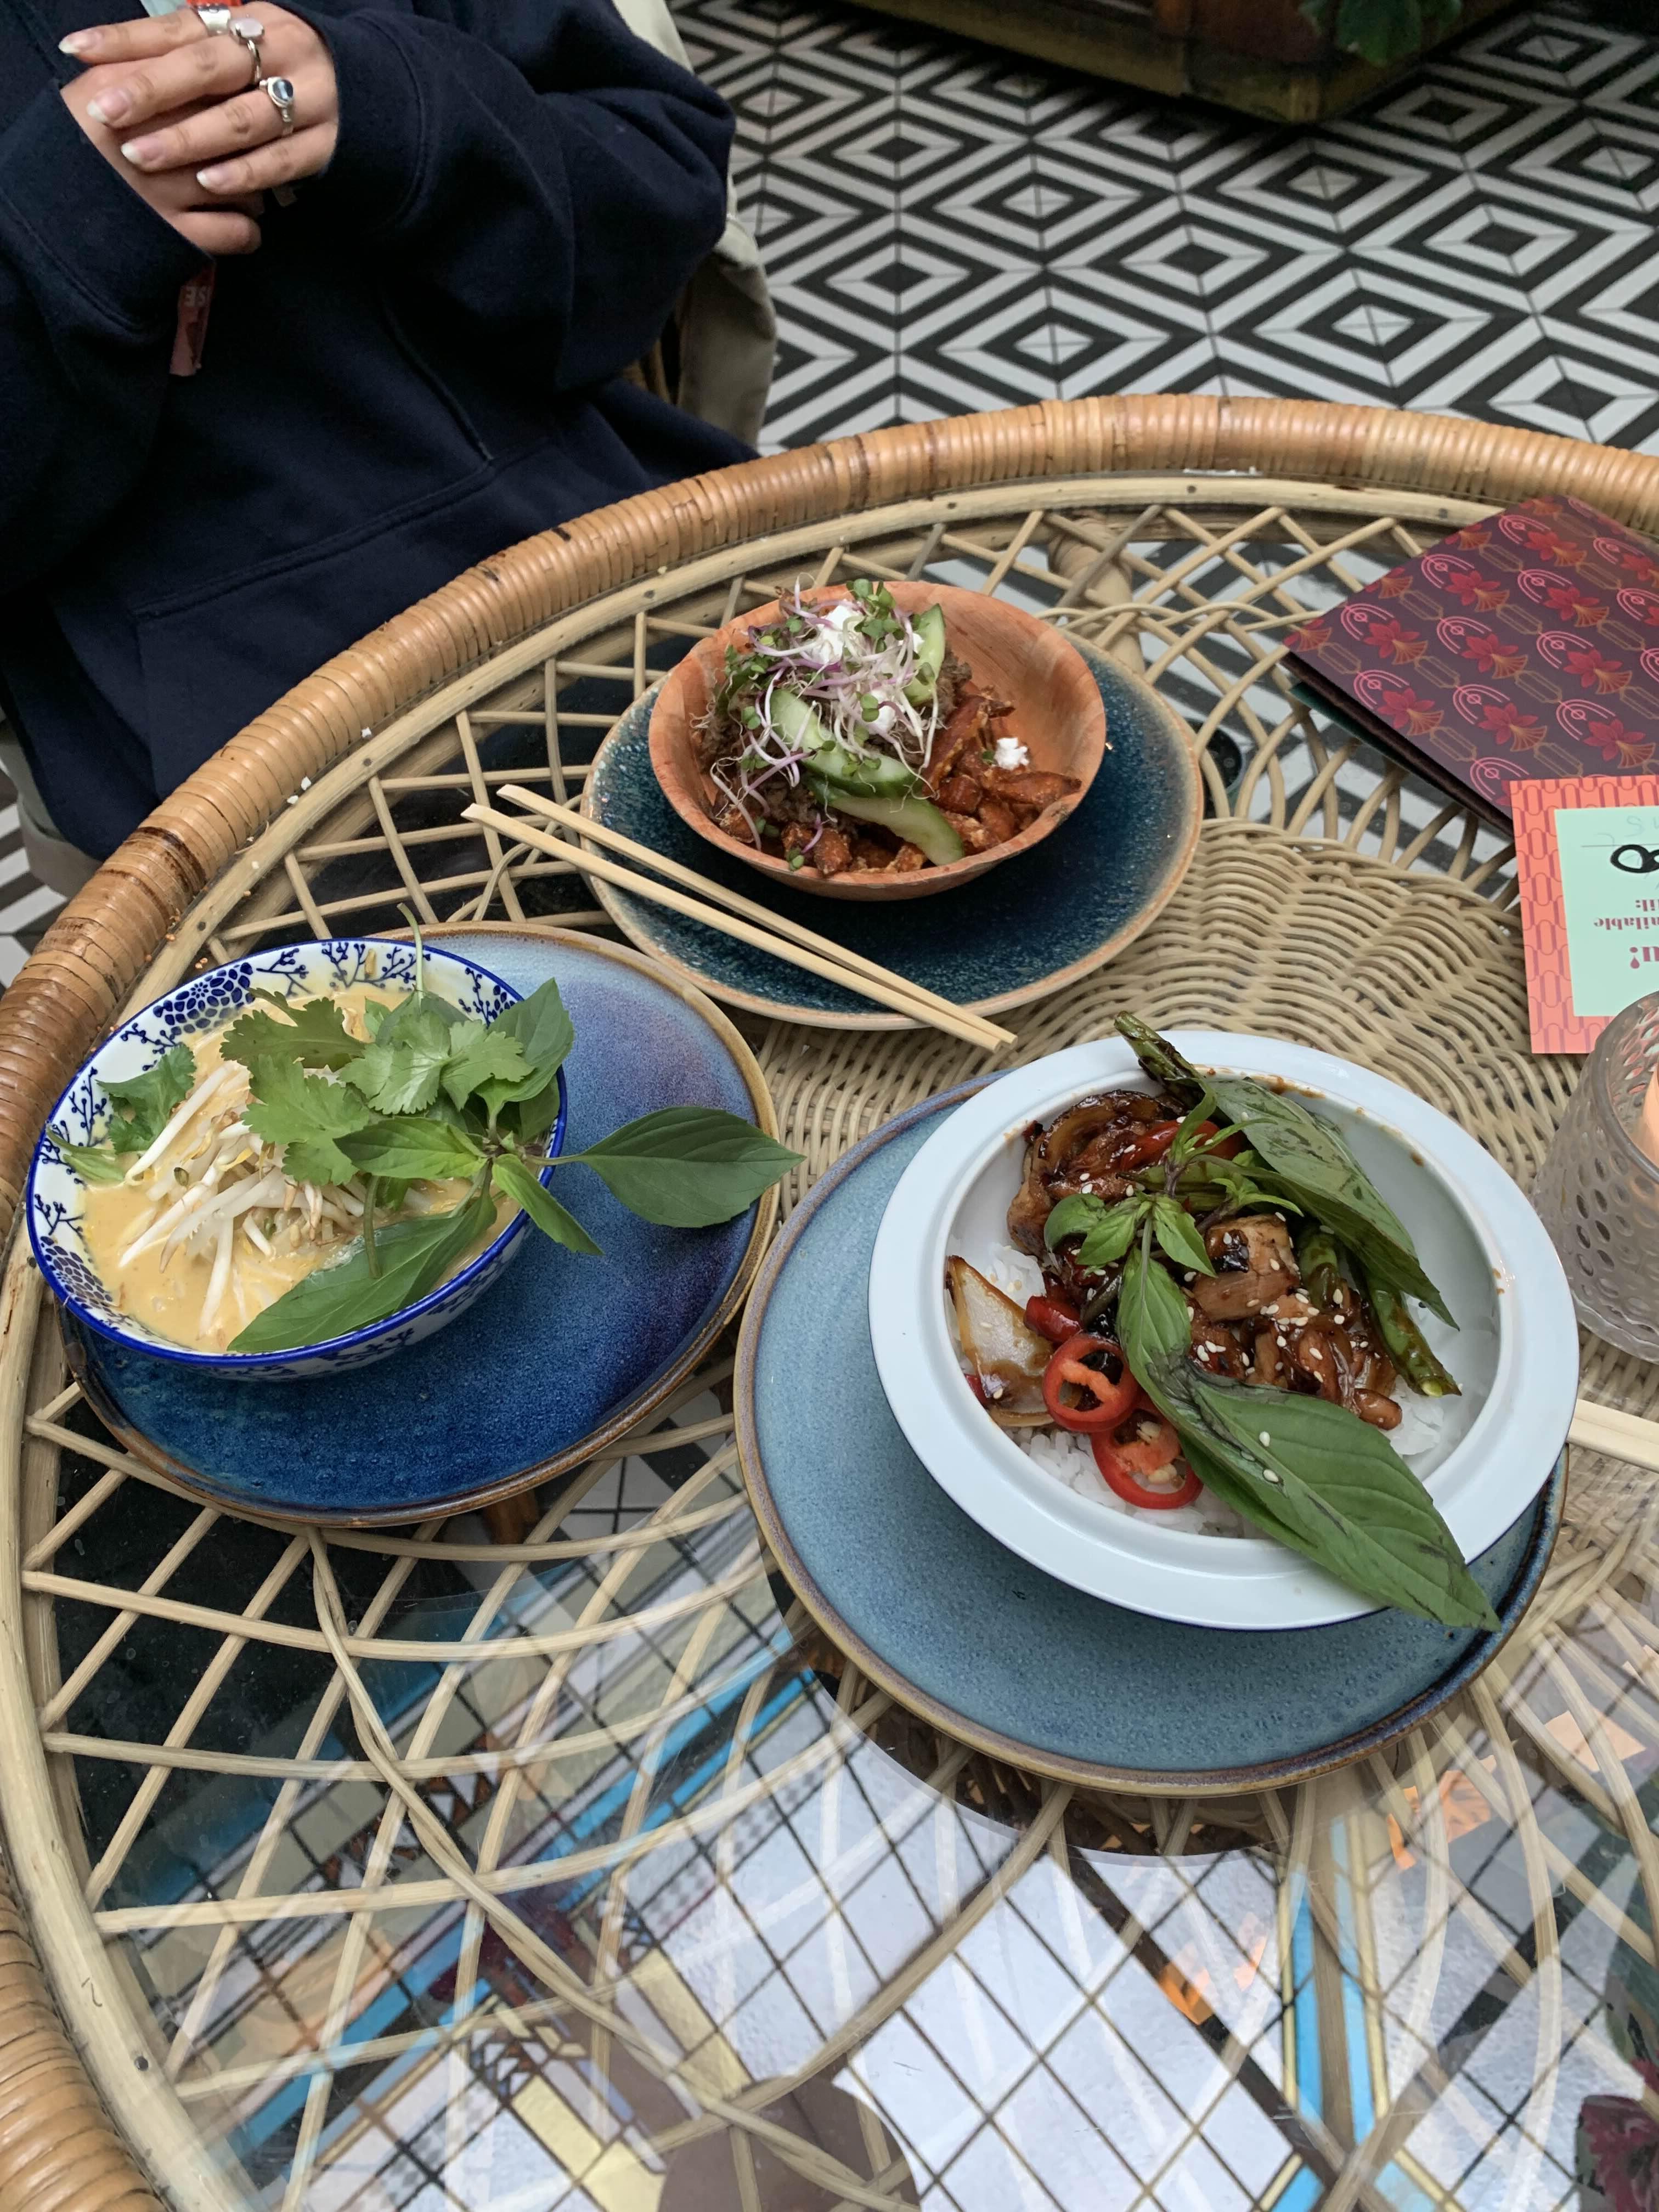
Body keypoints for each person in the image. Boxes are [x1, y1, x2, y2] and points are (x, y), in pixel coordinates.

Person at [0, 0, 755, 889]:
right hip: (240, 784)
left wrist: (399, 106)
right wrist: (56, 230)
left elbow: (659, 185)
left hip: (631, 575)